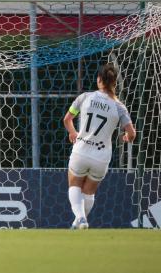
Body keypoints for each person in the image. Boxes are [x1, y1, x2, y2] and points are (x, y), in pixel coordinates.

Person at [63, 63, 136, 229]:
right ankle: (78, 223)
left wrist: (73, 133)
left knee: (74, 184)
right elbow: (131, 134)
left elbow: (67, 119)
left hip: (81, 151)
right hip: (101, 157)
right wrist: (126, 137)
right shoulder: (119, 107)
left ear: (99, 80)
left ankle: (80, 218)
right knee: (89, 192)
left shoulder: (84, 97)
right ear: (115, 83)